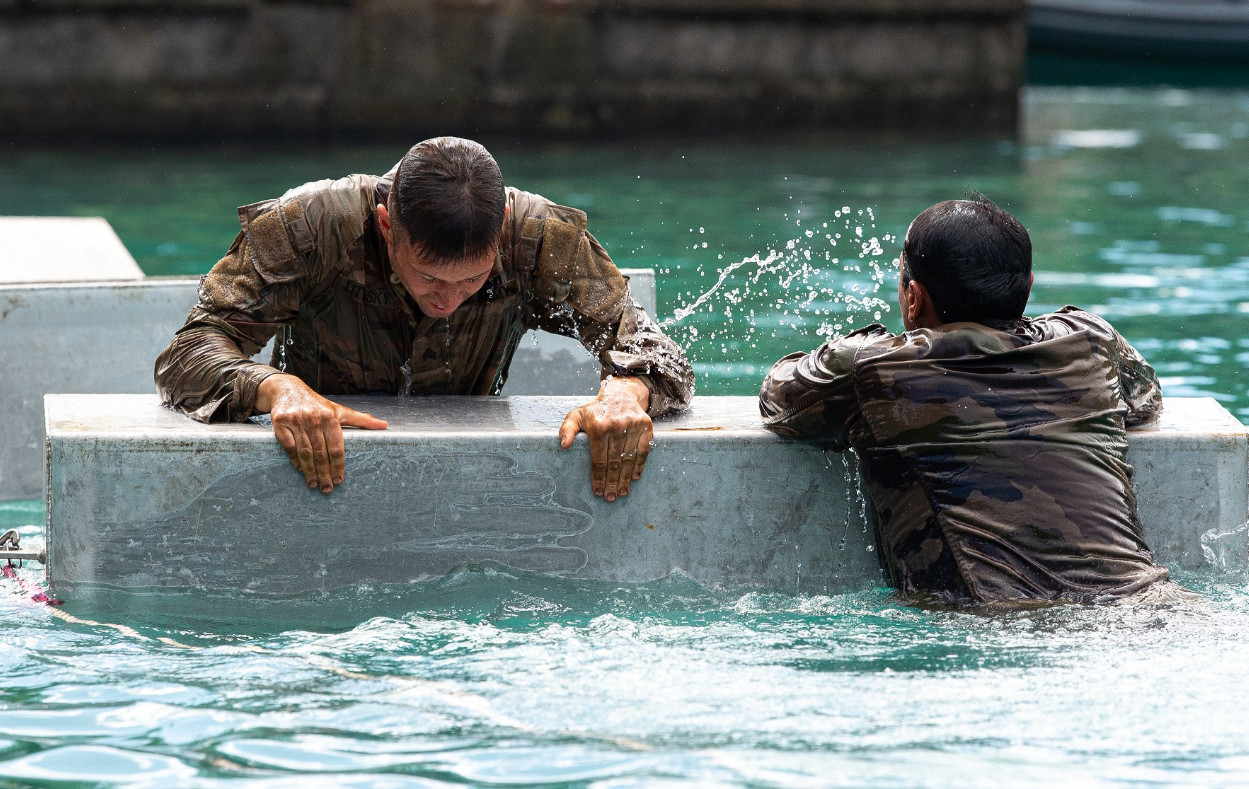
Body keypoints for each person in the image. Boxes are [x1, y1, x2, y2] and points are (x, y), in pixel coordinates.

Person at [156, 137, 693, 499]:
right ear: (388, 227)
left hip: (466, 475)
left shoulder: (536, 238)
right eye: (430, 278)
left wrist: (627, 391)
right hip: (317, 468)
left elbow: (653, 347)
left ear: (500, 226)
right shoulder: (311, 227)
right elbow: (188, 352)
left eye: (472, 281)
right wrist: (275, 389)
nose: (448, 300)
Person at [758, 197, 1172, 605]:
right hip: (1151, 602)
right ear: (1028, 286)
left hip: (1001, 623)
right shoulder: (1090, 338)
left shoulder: (876, 368)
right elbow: (1144, 401)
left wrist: (857, 346)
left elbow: (779, 401)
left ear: (914, 297)